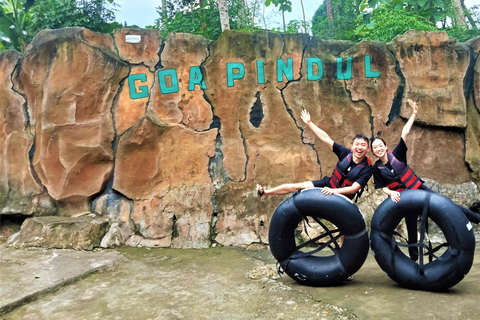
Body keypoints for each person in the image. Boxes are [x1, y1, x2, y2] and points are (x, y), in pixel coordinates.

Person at [370, 99, 480, 261]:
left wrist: (414, 113)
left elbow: (404, 133)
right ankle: (414, 261)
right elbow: (382, 187)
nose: (378, 148)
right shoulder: (376, 168)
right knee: (411, 228)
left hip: (418, 189)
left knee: (447, 205)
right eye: (375, 148)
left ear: (385, 147)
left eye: (380, 145)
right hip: (404, 198)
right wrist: (391, 193)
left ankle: (477, 219)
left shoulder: (398, 154)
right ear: (373, 152)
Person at [257, 109, 373, 201]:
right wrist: (309, 123)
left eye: (363, 145)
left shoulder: (367, 168)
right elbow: (325, 138)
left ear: (367, 149)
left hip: (342, 197)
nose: (359, 147)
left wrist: (333, 192)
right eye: (357, 144)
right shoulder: (345, 153)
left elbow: (353, 189)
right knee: (298, 186)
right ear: (352, 146)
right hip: (328, 184)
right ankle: (265, 192)